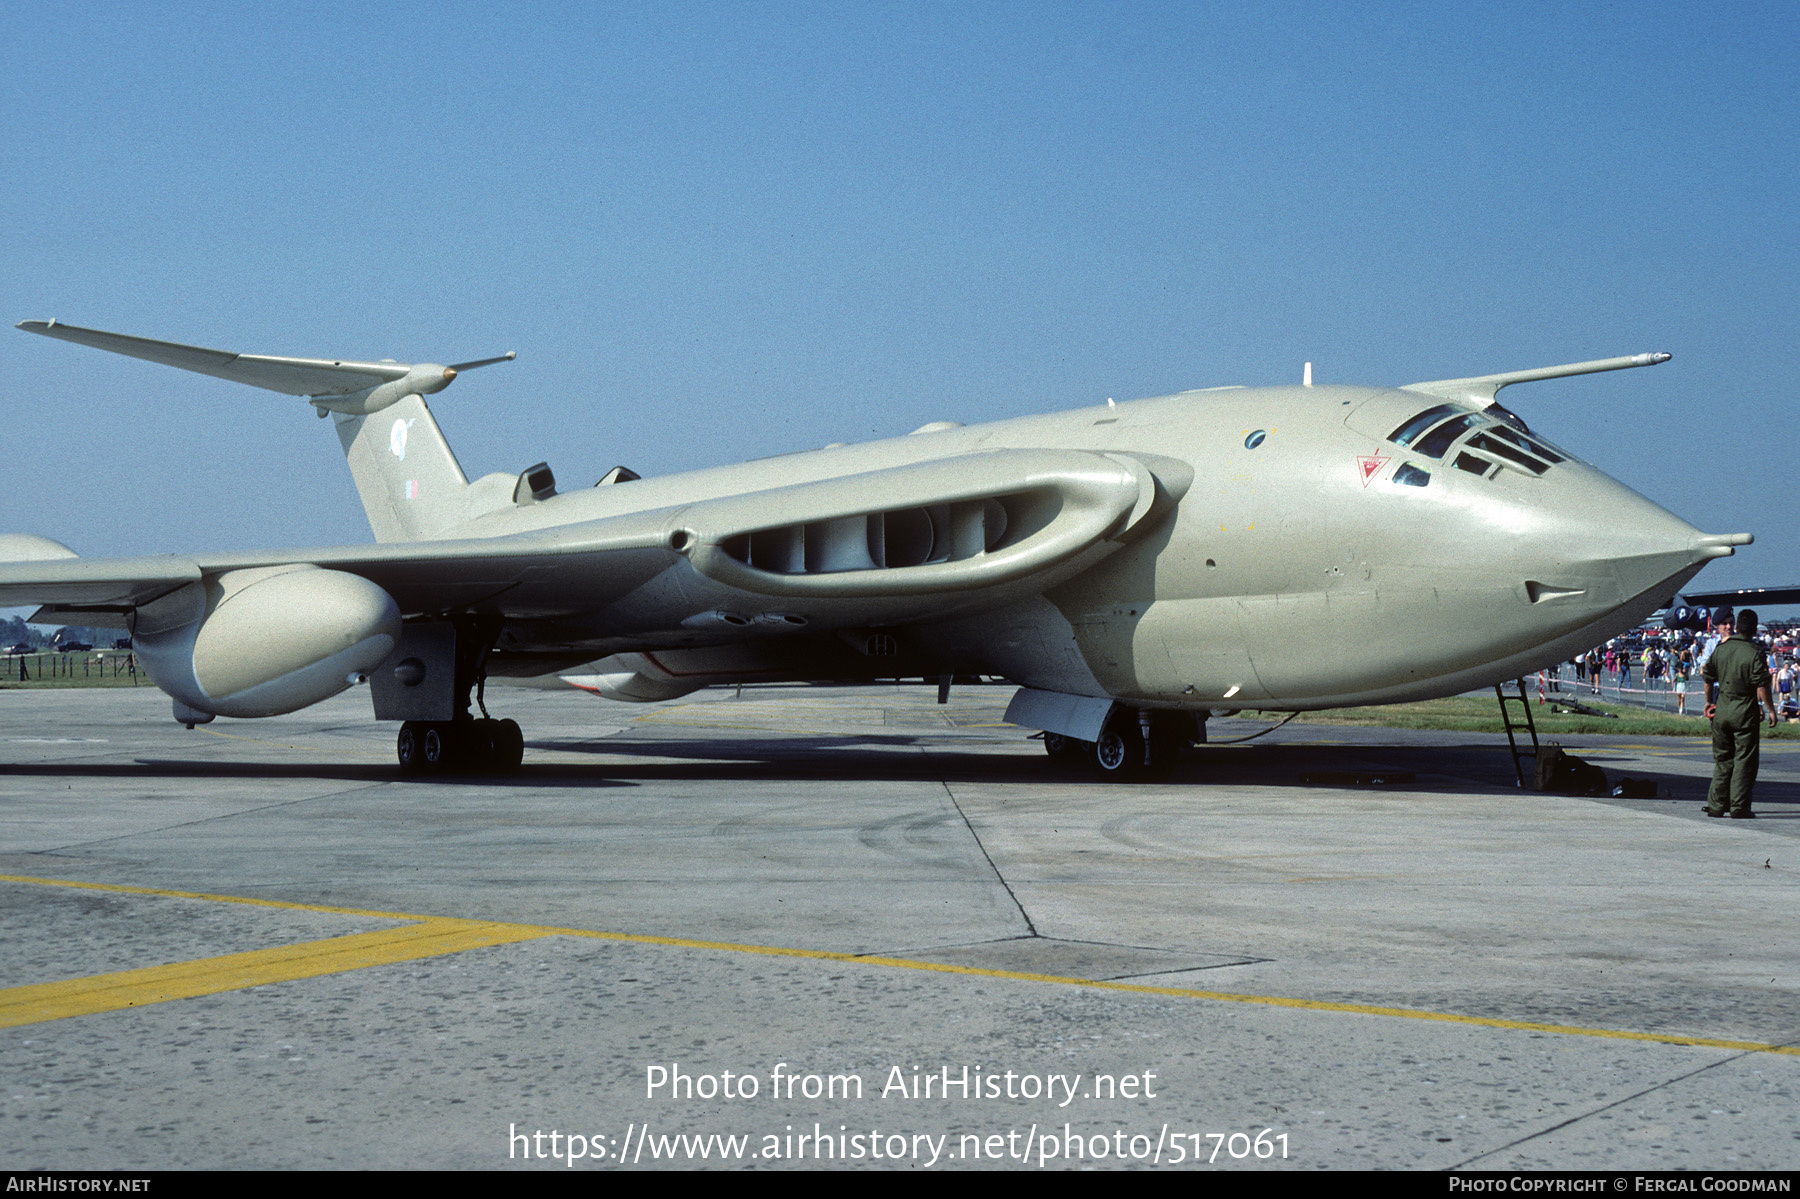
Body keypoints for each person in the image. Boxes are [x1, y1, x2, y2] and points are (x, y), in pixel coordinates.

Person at [1701, 608, 1778, 818]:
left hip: (1721, 710)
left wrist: (1709, 702)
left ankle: (1716, 806)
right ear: (1753, 629)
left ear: (1736, 627)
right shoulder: (1754, 652)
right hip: (1744, 712)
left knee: (1723, 760)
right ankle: (1739, 807)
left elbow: (1707, 677)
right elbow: (1762, 686)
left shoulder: (1721, 649)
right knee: (1744, 760)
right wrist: (1770, 710)